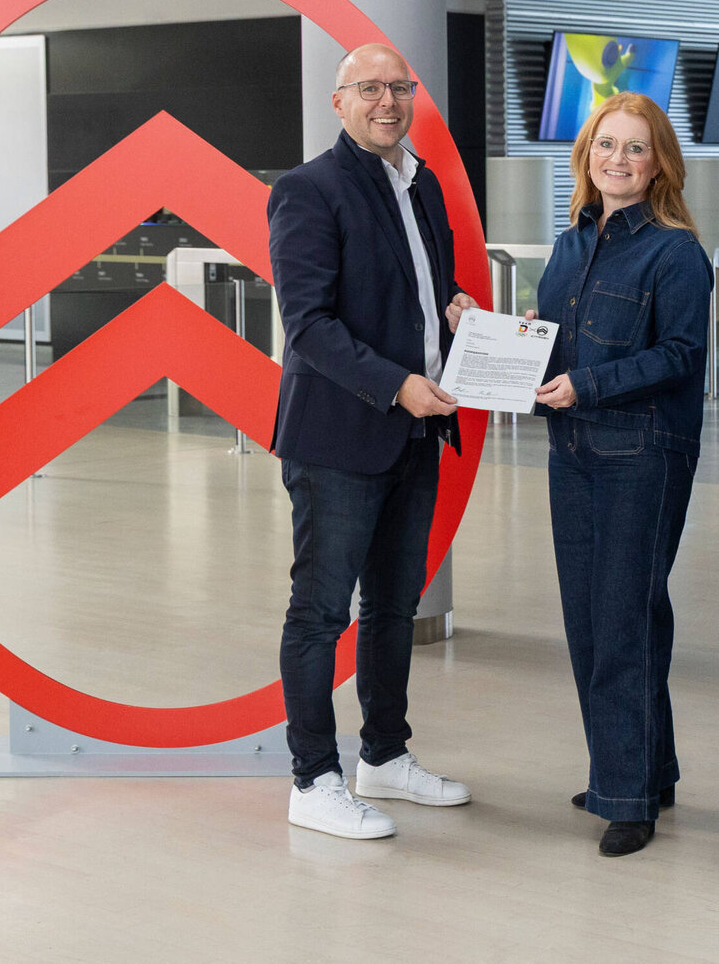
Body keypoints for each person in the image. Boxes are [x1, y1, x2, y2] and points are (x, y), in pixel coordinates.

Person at [267, 42, 479, 840]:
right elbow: (309, 325)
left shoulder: (422, 185)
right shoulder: (307, 190)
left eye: (399, 87)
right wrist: (396, 384)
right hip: (338, 437)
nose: (387, 101)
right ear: (340, 102)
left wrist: (455, 312)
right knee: (320, 613)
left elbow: (424, 296)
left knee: (394, 606)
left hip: (415, 433)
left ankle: (384, 757)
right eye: (369, 89)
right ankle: (313, 780)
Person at [526, 90, 712, 857]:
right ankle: (639, 770)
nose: (618, 159)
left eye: (636, 147)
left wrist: (589, 385)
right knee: (589, 621)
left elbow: (681, 356)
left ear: (658, 162)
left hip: (642, 454)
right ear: (587, 155)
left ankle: (627, 797)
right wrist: (501, 341)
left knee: (622, 621)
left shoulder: (675, 252)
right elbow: (556, 343)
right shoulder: (571, 243)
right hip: (571, 452)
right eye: (606, 144)